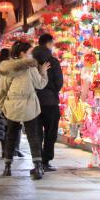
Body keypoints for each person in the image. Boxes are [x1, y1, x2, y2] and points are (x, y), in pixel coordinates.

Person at [0, 40, 49, 179]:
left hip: (12, 105)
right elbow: (40, 84)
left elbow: (2, 90)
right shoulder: (30, 67)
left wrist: (1, 106)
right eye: (30, 52)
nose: (32, 55)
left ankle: (7, 167)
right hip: (29, 106)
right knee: (33, 136)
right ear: (22, 53)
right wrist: (43, 72)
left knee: (11, 136)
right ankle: (38, 167)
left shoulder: (6, 67)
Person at [32, 33, 64, 171]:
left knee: (36, 132)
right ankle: (46, 161)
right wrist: (53, 90)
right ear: (49, 44)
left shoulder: (30, 61)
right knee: (50, 133)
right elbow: (59, 82)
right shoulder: (53, 61)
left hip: (34, 102)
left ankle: (37, 161)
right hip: (50, 102)